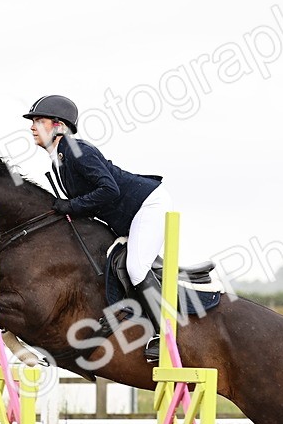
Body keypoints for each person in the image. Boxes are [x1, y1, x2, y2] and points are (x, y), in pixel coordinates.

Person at [24, 94, 172, 363]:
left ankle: (166, 336)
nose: (32, 126)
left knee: (137, 269)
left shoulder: (78, 151)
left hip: (147, 205)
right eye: (33, 121)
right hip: (128, 213)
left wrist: (70, 206)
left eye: (39, 120)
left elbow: (109, 189)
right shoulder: (59, 159)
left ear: (58, 125)